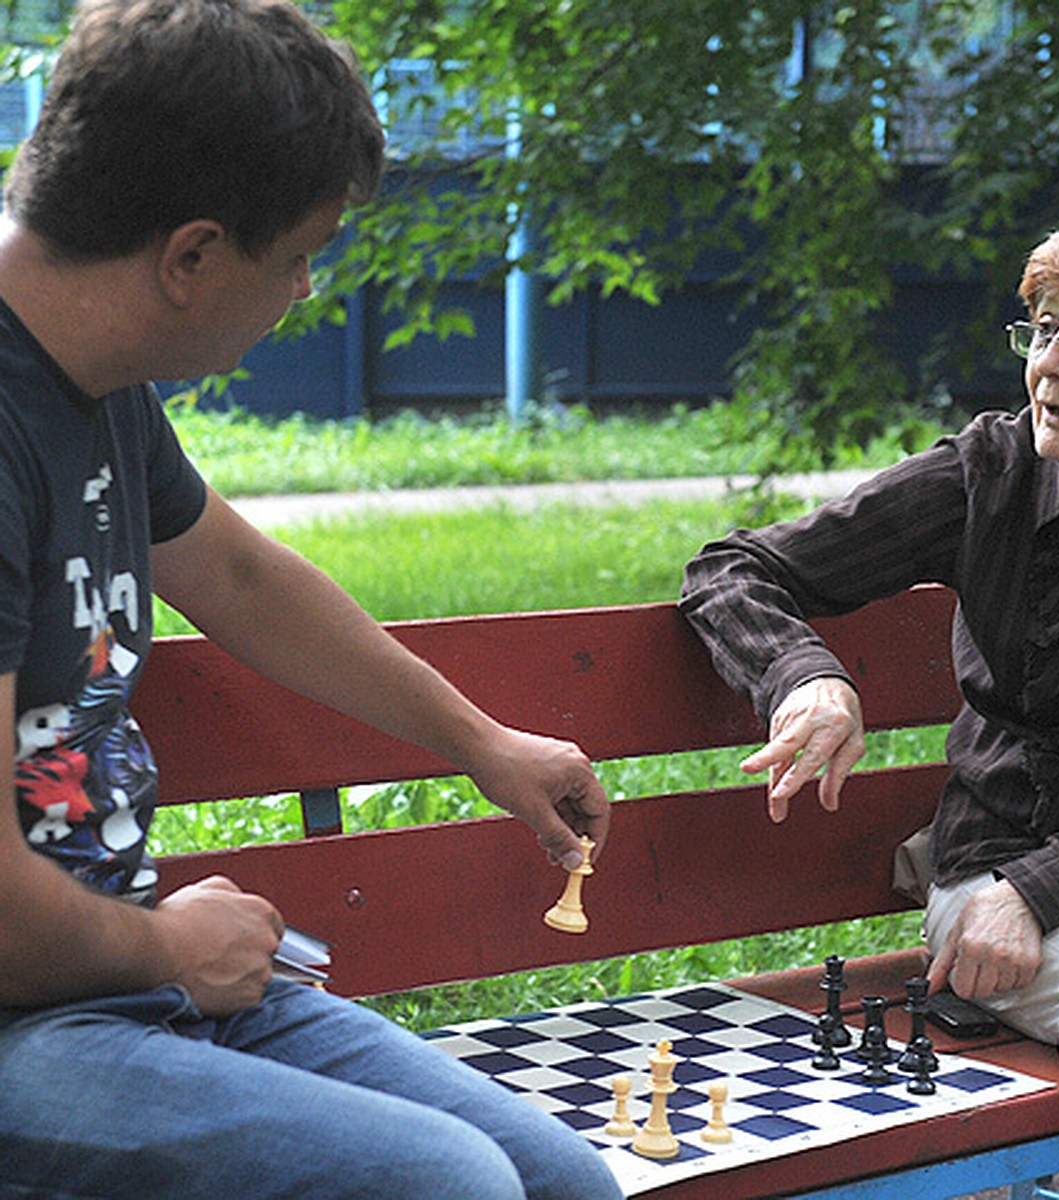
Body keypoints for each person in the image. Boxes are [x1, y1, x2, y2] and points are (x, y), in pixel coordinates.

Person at [0, 3, 621, 1198]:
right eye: (296, 255)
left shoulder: (94, 377)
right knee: (449, 1187)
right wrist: (169, 944)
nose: (301, 290)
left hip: (115, 979)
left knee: (561, 1183)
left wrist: (481, 744)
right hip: (38, 1011)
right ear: (189, 257)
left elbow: (235, 576)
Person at [680, 213, 1059, 1200]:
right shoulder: (991, 478)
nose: (1050, 366)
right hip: (998, 888)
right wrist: (803, 675)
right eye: (1042, 329)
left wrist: (1051, 885)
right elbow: (733, 570)